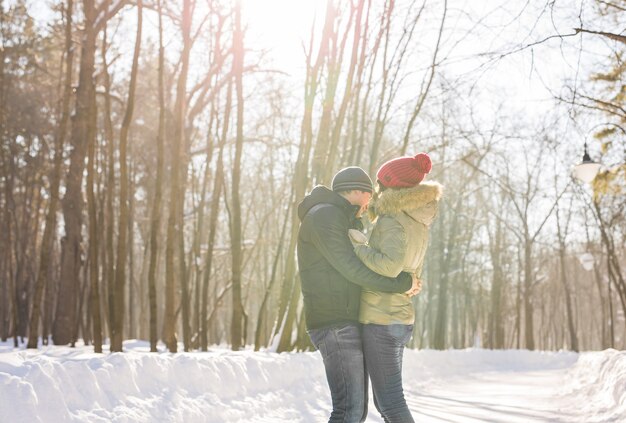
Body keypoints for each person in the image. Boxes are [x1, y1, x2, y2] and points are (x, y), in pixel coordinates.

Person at [297, 166, 419, 423]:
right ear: (356, 190)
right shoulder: (324, 216)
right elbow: (351, 269)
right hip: (333, 322)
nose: (371, 200)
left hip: (345, 320)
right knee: (348, 412)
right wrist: (401, 284)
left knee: (355, 412)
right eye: (369, 194)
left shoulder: (339, 217)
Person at [350, 153, 442, 423]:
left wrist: (358, 247)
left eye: (379, 184)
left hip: (382, 317)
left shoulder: (392, 220)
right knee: (387, 400)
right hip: (397, 317)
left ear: (391, 186)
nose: (375, 189)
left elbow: (389, 266)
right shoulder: (416, 219)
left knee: (390, 402)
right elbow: (409, 270)